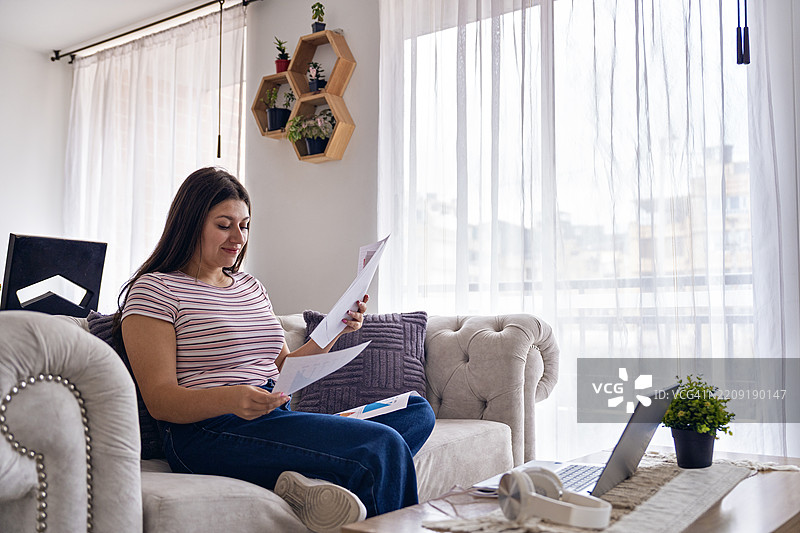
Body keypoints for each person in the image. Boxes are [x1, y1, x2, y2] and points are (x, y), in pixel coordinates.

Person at [114, 167, 436, 533]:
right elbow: (160, 400)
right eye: (224, 225)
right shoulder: (154, 291)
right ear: (190, 224)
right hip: (206, 433)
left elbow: (286, 366)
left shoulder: (250, 286)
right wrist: (231, 399)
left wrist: (338, 326)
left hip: (269, 418)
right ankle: (320, 476)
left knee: (414, 410)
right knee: (383, 445)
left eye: (245, 225)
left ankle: (313, 482)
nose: (238, 237)